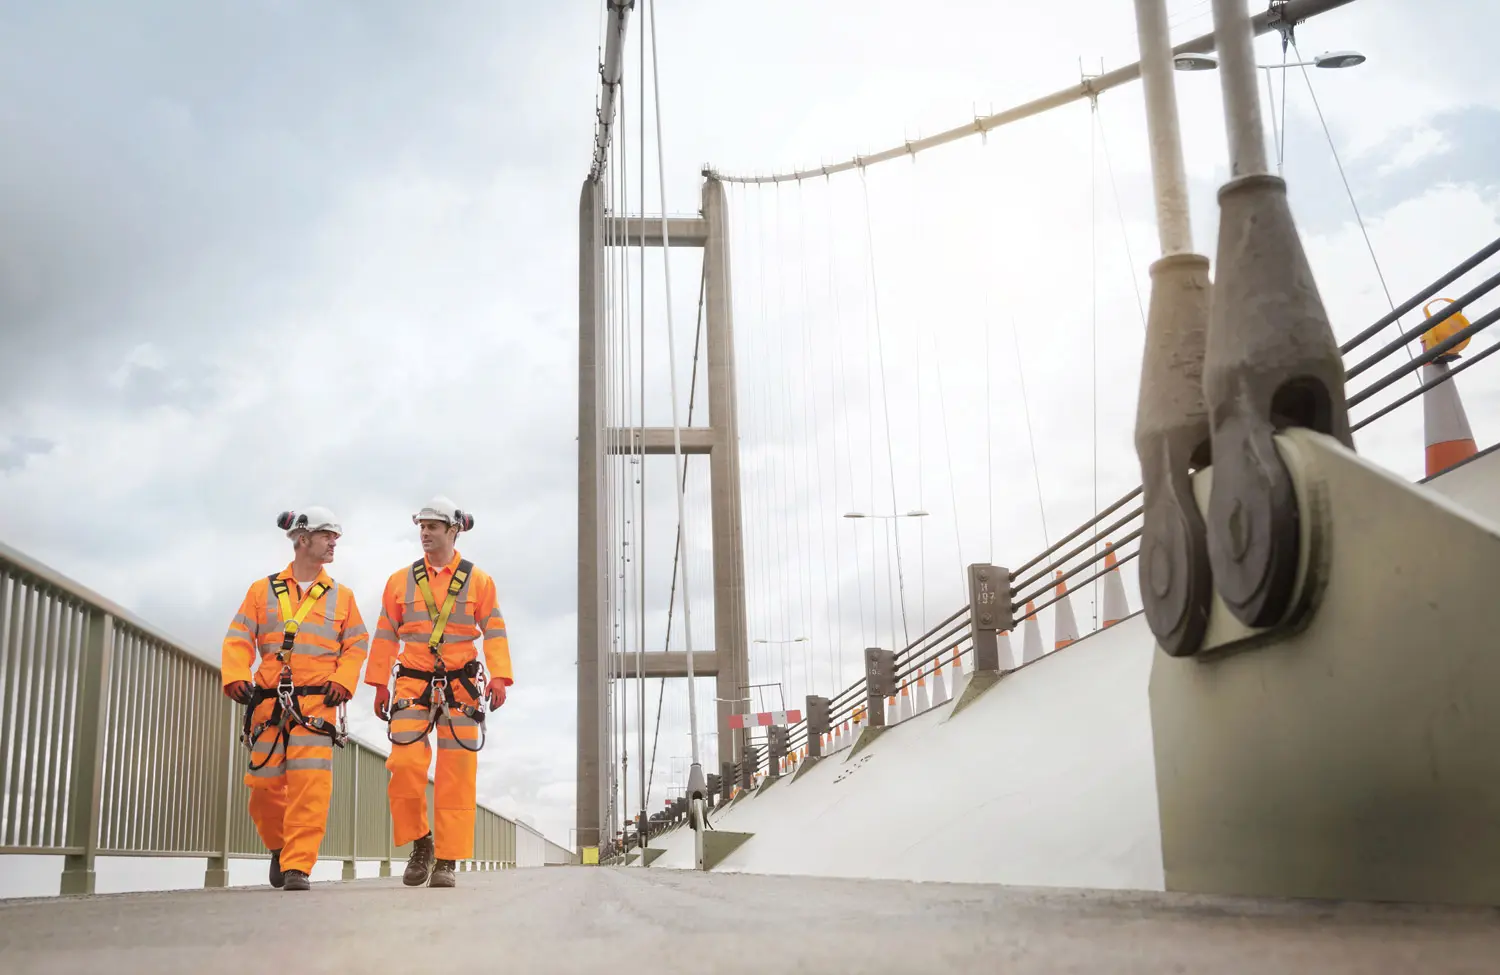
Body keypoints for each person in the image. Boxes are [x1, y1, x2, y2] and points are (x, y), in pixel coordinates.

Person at [221, 507, 369, 892]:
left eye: (335, 537)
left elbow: (356, 645)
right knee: (263, 790)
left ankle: (297, 867)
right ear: (303, 539)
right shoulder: (261, 590)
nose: (333, 542)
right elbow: (239, 638)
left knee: (310, 788)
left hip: (317, 705)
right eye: (326, 536)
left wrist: (344, 680)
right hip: (269, 704)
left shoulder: (343, 596)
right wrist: (237, 675)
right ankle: (281, 848)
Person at [367, 496, 512, 888]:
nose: (425, 533)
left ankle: (447, 859)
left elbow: (494, 629)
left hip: (461, 685)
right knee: (404, 766)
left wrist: (499, 676)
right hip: (412, 682)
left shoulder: (479, 581)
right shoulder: (400, 581)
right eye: (422, 526)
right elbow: (385, 632)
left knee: (457, 774)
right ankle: (421, 843)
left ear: (453, 530)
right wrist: (379, 682)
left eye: (433, 526)